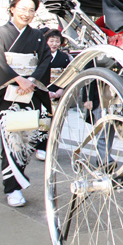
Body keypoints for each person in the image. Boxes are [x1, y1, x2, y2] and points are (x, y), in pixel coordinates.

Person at [0, 0, 52, 207]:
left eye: (31, 10)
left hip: (31, 92)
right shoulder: (0, 33)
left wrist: (31, 80)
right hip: (8, 94)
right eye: (23, 8)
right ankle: (12, 188)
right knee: (11, 140)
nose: (27, 13)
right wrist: (18, 79)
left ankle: (17, 179)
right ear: (12, 8)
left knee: (26, 139)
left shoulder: (38, 36)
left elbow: (45, 60)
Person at [31, 28, 72, 162]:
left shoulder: (64, 57)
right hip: (43, 92)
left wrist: (62, 89)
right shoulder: (39, 55)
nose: (54, 44)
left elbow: (68, 75)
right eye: (51, 41)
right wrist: (44, 90)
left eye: (57, 41)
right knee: (44, 122)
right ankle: (41, 147)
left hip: (58, 92)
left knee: (56, 122)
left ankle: (51, 147)